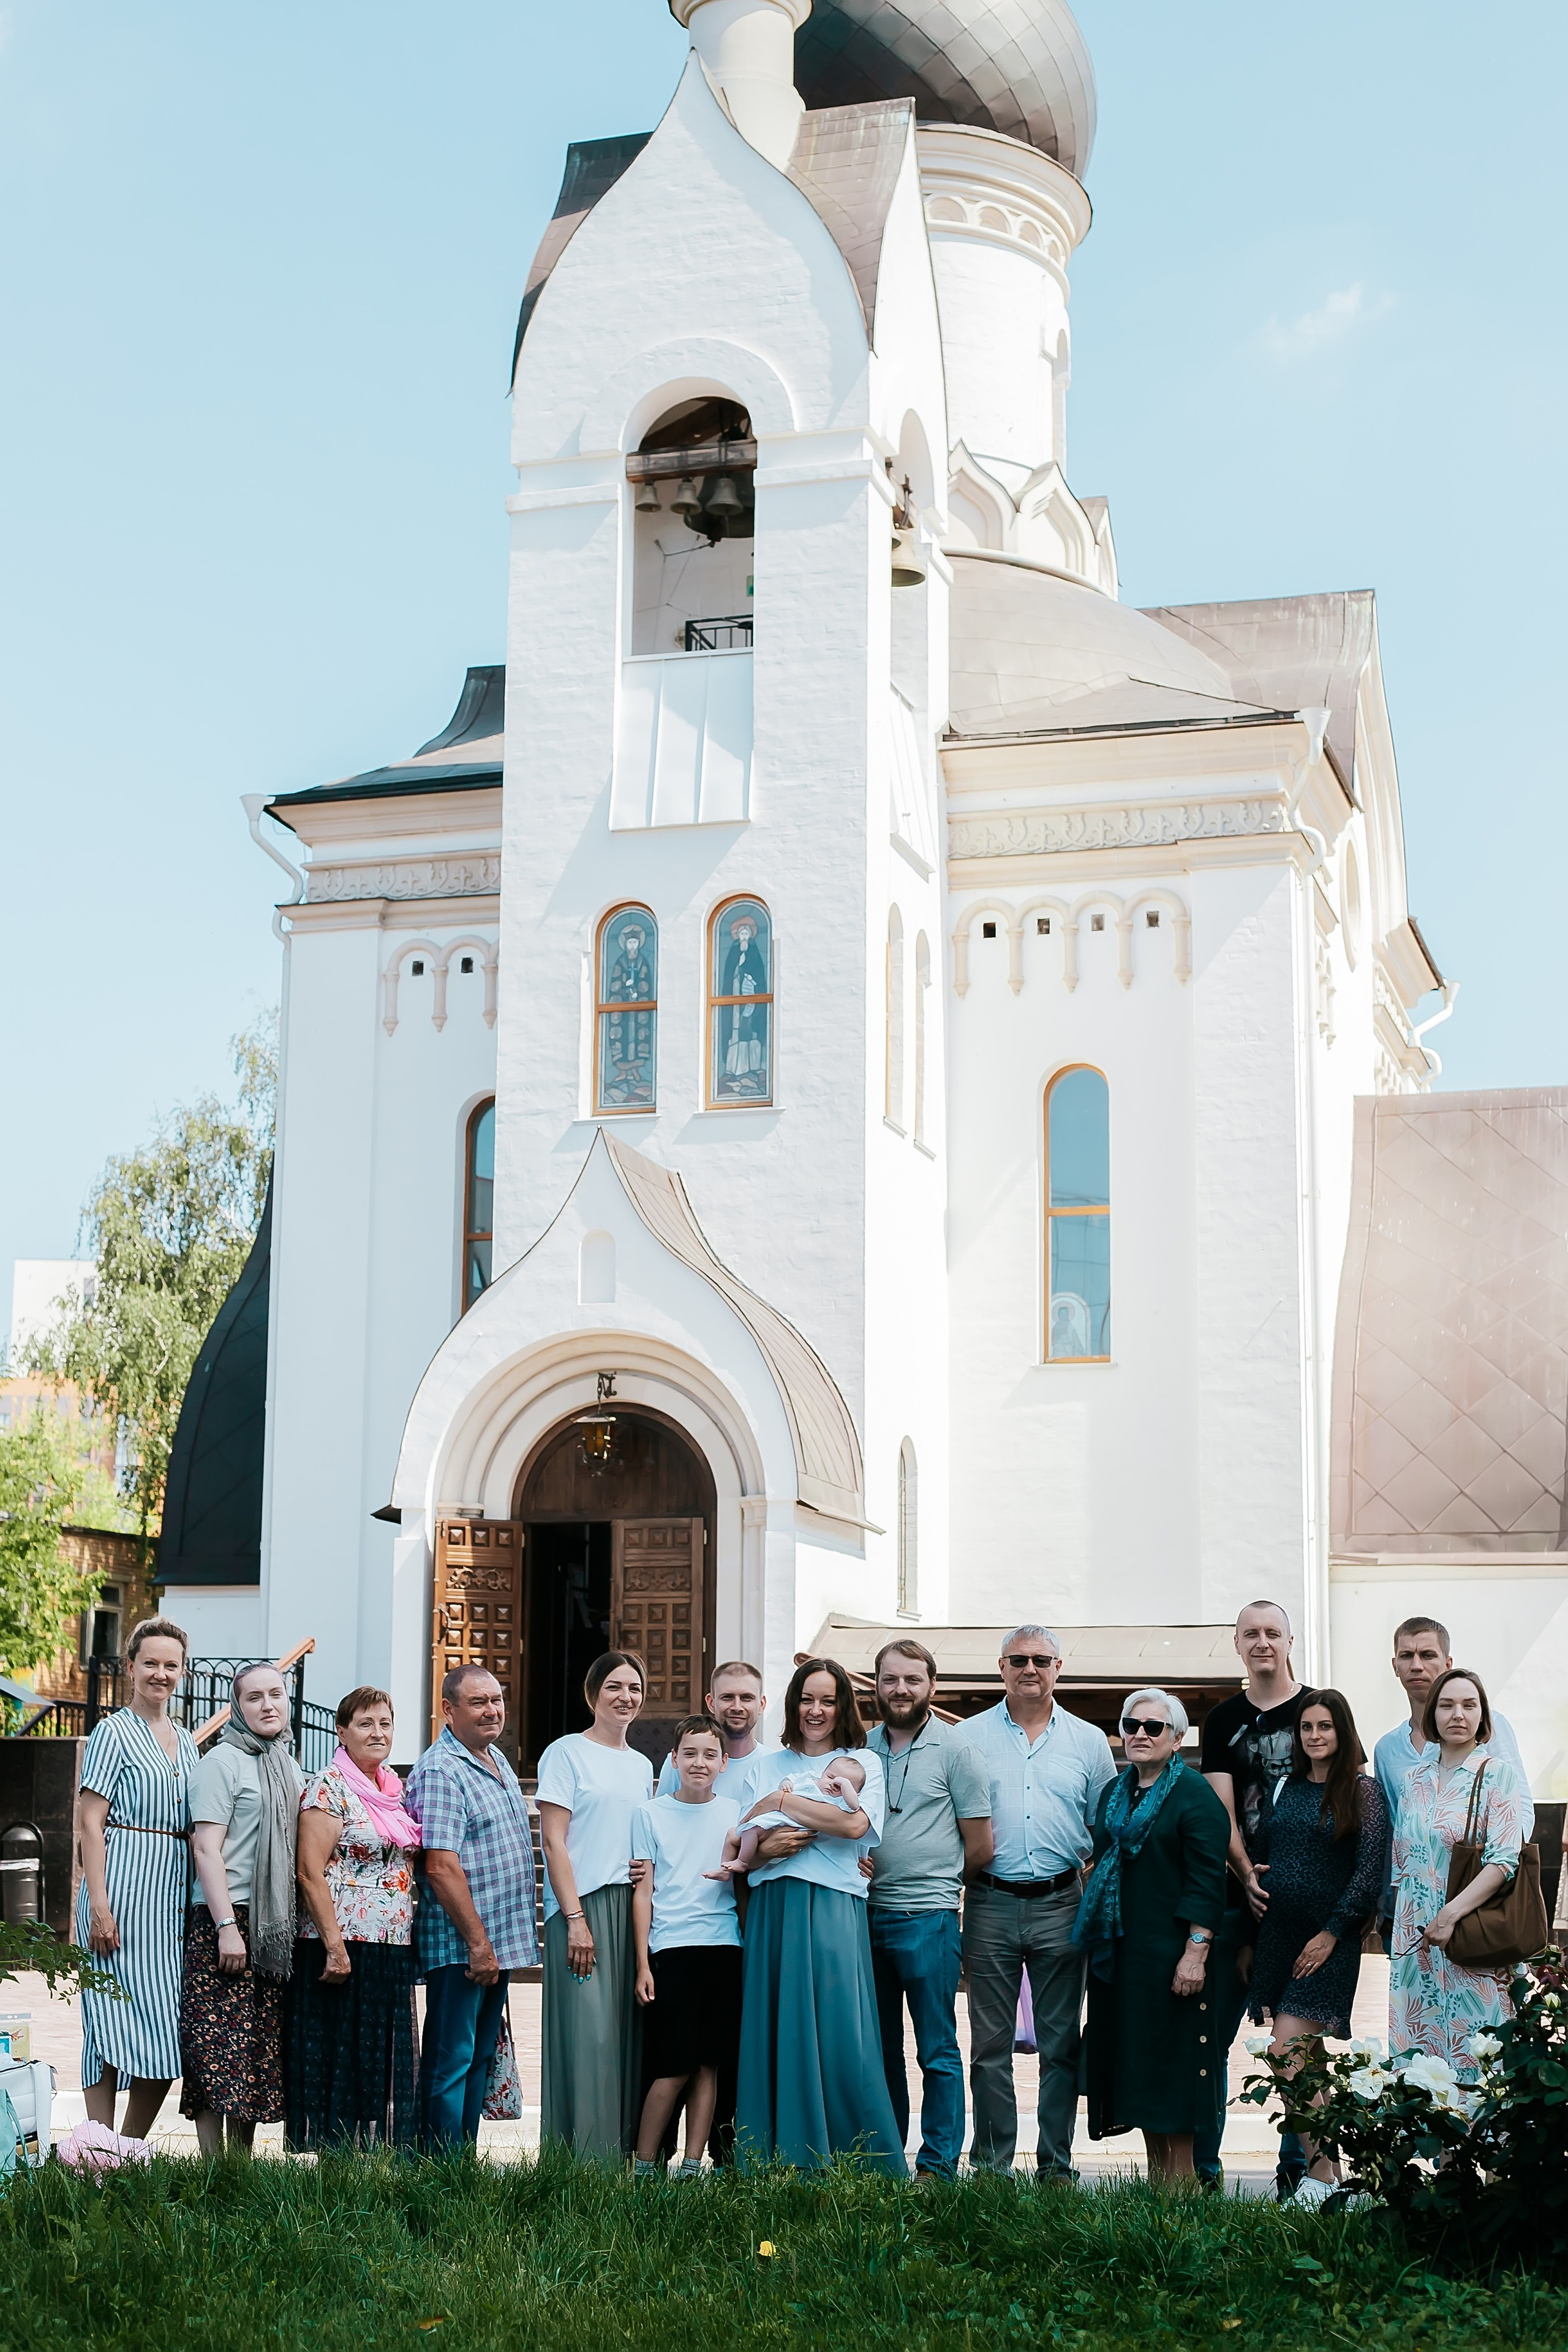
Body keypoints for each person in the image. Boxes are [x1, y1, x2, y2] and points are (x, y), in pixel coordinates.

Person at [735, 1657, 907, 2174]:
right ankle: (773, 2156)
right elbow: (750, 1837)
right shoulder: (765, 1764)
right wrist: (771, 1843)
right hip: (775, 1906)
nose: (816, 1710)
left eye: (828, 1701)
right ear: (793, 1704)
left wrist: (781, 1801)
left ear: (842, 1706)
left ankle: (857, 2158)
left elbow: (856, 1829)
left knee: (841, 2029)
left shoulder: (864, 1763)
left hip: (835, 1905)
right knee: (776, 2027)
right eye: (807, 1699)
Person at [962, 1625, 1116, 2178]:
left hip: (1061, 1901)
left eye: (1041, 1660)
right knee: (989, 2046)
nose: (1030, 1669)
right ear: (1001, 1668)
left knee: (1060, 2045)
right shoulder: (970, 1737)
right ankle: (992, 2167)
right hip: (989, 1902)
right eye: (1018, 1660)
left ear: (1058, 1668)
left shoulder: (1089, 1741)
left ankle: (1056, 2167)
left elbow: (1106, 1826)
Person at [1076, 1689, 1229, 2181]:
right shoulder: (1117, 1792)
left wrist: (1196, 1952)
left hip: (1173, 1954)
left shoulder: (1192, 1792)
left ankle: (1182, 2195)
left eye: (1154, 1727)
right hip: (1123, 1954)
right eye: (1131, 1725)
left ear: (1179, 1738)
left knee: (1173, 2071)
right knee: (1138, 2067)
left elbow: (1209, 1880)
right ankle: (1158, 2185)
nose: (1140, 1734)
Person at [1247, 1689, 1388, 2204]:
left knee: (1285, 2048)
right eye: (1307, 1728)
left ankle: (1322, 2173)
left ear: (1342, 1731)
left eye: (1324, 1727)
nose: (1314, 1736)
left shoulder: (1363, 1792)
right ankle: (1341, 2180)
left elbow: (1369, 1871)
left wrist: (1332, 1932)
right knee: (1308, 2059)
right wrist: (1254, 1882)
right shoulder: (1285, 1785)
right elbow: (1268, 1850)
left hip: (1328, 1941)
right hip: (1279, 1936)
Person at [862, 1637, 992, 2184]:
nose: (901, 1689)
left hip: (930, 1919)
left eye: (912, 1680)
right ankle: (888, 2157)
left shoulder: (957, 1749)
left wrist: (935, 1881)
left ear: (930, 1687)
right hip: (864, 1916)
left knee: (936, 2048)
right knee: (880, 2047)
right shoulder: (861, 1747)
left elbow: (981, 1845)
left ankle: (937, 2165)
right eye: (891, 1679)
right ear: (877, 1686)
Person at [75, 1616, 198, 2141]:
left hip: (169, 1901)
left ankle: (127, 2147)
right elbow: (89, 1820)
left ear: (182, 1673)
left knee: (168, 2027)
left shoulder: (189, 1742)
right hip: (120, 1889)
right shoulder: (112, 1733)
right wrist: (99, 1903)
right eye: (151, 1663)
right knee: (108, 2015)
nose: (161, 1674)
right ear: (130, 1667)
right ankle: (97, 2148)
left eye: (171, 1665)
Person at [1196, 1600, 1306, 2190]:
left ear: (1292, 1641)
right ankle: (1203, 2173)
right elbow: (1222, 1807)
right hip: (1237, 1901)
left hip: (1303, 1903)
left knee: (1297, 2048)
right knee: (1212, 2037)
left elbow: (1340, 1800)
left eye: (1273, 1633)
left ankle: (1300, 2174)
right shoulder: (1221, 1720)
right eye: (1251, 1634)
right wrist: (1246, 1876)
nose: (1262, 1642)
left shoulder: (1319, 1709)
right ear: (1237, 1645)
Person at [404, 1663, 537, 2149]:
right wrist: (478, 1944)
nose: (492, 1710)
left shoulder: (493, 1758)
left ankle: (461, 2168)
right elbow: (440, 1866)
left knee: (480, 2056)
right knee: (452, 2059)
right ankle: (436, 2171)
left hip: (494, 1942)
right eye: (478, 1702)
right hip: (463, 1946)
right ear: (448, 1709)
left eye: (496, 1700)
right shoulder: (442, 1769)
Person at [285, 1684, 421, 2150]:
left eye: (385, 1723)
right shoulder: (328, 1787)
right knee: (341, 2059)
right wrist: (335, 1947)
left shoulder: (393, 1791)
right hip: (341, 1948)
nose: (378, 1732)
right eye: (365, 1723)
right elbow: (308, 1871)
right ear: (342, 1732)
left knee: (375, 2061)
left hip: (388, 1945)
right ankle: (335, 2170)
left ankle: (371, 2167)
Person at [180, 1660, 306, 2154]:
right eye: (254, 1697)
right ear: (238, 1706)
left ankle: (240, 2169)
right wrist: (227, 1927)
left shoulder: (287, 1763)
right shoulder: (222, 1762)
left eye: (275, 1694)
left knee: (254, 2047)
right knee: (216, 2047)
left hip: (271, 1923)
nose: (267, 1705)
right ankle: (213, 2169)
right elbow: (205, 1848)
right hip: (225, 1917)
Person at [537, 1651, 654, 2158]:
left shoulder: (642, 1764)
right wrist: (575, 1920)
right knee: (589, 2040)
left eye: (633, 1688)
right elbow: (553, 1842)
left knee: (624, 2039)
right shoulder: (566, 1753)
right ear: (592, 1694)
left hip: (628, 1910)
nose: (625, 1697)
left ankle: (621, 2162)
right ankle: (580, 2166)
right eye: (614, 1687)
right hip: (580, 1910)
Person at [1390, 1665, 1527, 2074]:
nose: (1458, 1714)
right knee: (1419, 2053)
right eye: (1447, 1705)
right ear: (1432, 1713)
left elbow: (1504, 1859)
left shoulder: (1497, 1775)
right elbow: (1403, 1862)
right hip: (1416, 1940)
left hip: (1471, 1931)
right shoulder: (1414, 1779)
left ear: (1483, 1716)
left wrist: (1449, 1916)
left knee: (1479, 2053)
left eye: (1470, 1705)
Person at [630, 1716, 744, 2177]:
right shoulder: (651, 1813)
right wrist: (643, 1962)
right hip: (672, 1950)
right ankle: (643, 2165)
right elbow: (643, 1891)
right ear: (673, 1760)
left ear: (724, 1762)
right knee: (672, 2066)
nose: (700, 1762)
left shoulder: (736, 1811)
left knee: (708, 2066)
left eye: (710, 1755)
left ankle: (694, 2164)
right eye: (690, 1754)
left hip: (724, 1949)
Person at [1374, 1616, 1533, 1941]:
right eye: (1407, 1656)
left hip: (1477, 1903)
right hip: (1413, 1910)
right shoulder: (1387, 1749)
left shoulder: (1489, 1726)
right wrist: (1388, 1905)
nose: (1416, 1665)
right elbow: (1394, 1830)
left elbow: (1519, 1812)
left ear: (1448, 1663)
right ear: (1395, 1665)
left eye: (1428, 1655)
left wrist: (1491, 1888)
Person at [711, 1755, 865, 1876]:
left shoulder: (839, 1801)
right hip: (775, 1819)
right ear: (822, 1773)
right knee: (733, 1835)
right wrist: (786, 1784)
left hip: (788, 1829)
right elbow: (790, 1779)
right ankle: (724, 1871)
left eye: (842, 1785)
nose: (834, 1784)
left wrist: (844, 1785)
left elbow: (854, 1806)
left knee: (750, 1831)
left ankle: (742, 1862)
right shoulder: (809, 1780)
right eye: (831, 1777)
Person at [655, 1660, 767, 1803]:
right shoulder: (684, 1762)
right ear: (711, 1703)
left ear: (761, 1705)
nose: (737, 1707)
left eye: (747, 1698)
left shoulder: (774, 1765)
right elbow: (663, 1814)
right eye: (728, 1697)